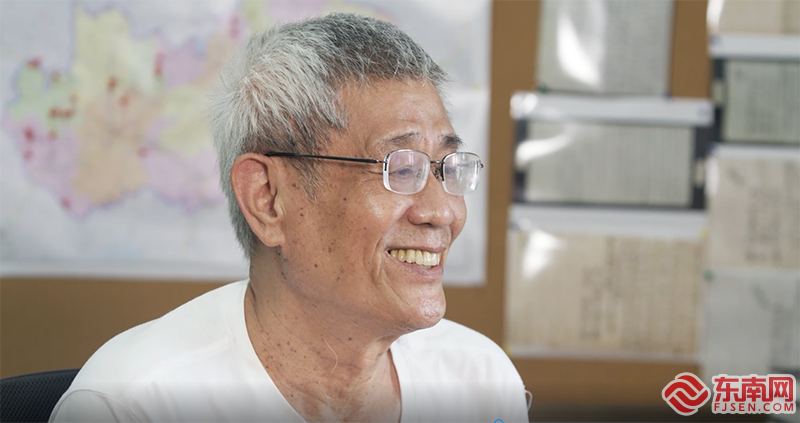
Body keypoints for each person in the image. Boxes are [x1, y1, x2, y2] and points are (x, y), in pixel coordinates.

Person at [50, 13, 529, 423]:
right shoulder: (133, 405)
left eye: (447, 167)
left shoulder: (480, 381)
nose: (443, 211)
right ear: (267, 199)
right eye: (401, 168)